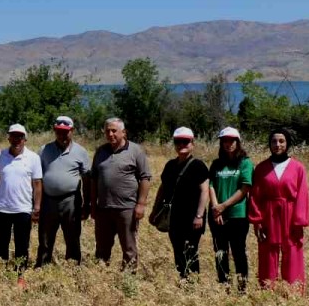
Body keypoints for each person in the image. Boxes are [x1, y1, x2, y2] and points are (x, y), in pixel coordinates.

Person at [247, 128, 309, 293]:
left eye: (281, 141)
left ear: (287, 143)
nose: (277, 144)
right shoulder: (261, 168)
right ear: (269, 144)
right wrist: (257, 221)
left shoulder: (298, 167)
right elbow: (255, 196)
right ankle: (267, 291)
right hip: (268, 214)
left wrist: (299, 221)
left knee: (293, 252)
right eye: (274, 141)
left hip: (290, 214)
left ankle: (293, 292)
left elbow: (302, 195)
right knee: (267, 253)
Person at [89, 118, 151, 271]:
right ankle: (100, 275)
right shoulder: (100, 151)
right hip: (103, 208)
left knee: (129, 247)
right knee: (102, 247)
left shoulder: (136, 151)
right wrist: (93, 205)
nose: (110, 134)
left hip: (127, 208)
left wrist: (141, 204)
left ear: (123, 132)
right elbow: (94, 179)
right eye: (107, 131)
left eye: (114, 131)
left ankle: (128, 278)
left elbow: (145, 178)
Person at [151, 127, 209, 279]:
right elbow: (162, 189)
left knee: (190, 251)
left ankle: (193, 282)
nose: (182, 145)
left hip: (192, 218)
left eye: (185, 141)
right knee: (177, 251)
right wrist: (154, 210)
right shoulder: (170, 165)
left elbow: (205, 191)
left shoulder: (198, 165)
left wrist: (199, 216)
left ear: (192, 143)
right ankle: (183, 280)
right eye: (178, 142)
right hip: (174, 217)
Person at [37, 116, 89, 266]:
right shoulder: (44, 150)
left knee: (72, 236)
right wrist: (36, 203)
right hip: (48, 200)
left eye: (65, 132)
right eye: (58, 132)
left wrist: (87, 204)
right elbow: (36, 178)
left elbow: (87, 179)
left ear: (72, 131)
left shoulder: (81, 151)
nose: (62, 135)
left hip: (71, 201)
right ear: (55, 131)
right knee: (45, 237)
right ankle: (42, 266)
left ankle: (72, 267)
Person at [207, 127, 254, 291]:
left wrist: (223, 206)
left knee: (238, 251)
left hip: (237, 215)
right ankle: (224, 287)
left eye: (232, 140)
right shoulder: (216, 164)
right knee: (220, 252)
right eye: (225, 141)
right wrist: (215, 208)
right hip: (217, 215)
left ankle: (242, 288)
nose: (228, 144)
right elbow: (211, 185)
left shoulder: (245, 163)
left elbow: (245, 188)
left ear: (238, 142)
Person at [0, 124, 43, 270]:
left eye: (20, 137)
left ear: (25, 139)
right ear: (9, 138)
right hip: (1, 209)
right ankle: (1, 273)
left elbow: (37, 184)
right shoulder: (0, 156)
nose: (16, 140)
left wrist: (37, 207)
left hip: (23, 210)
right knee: (1, 245)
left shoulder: (33, 158)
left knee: (22, 245)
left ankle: (20, 274)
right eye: (13, 136)